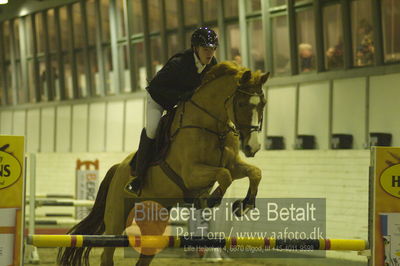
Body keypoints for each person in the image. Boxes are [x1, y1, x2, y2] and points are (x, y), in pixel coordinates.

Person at [126, 27, 219, 195]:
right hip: (159, 98)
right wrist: (181, 96)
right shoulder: (179, 64)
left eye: (212, 49)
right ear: (195, 48)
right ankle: (138, 177)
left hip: (182, 102)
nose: (210, 54)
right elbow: (155, 87)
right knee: (153, 129)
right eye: (206, 49)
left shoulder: (212, 65)